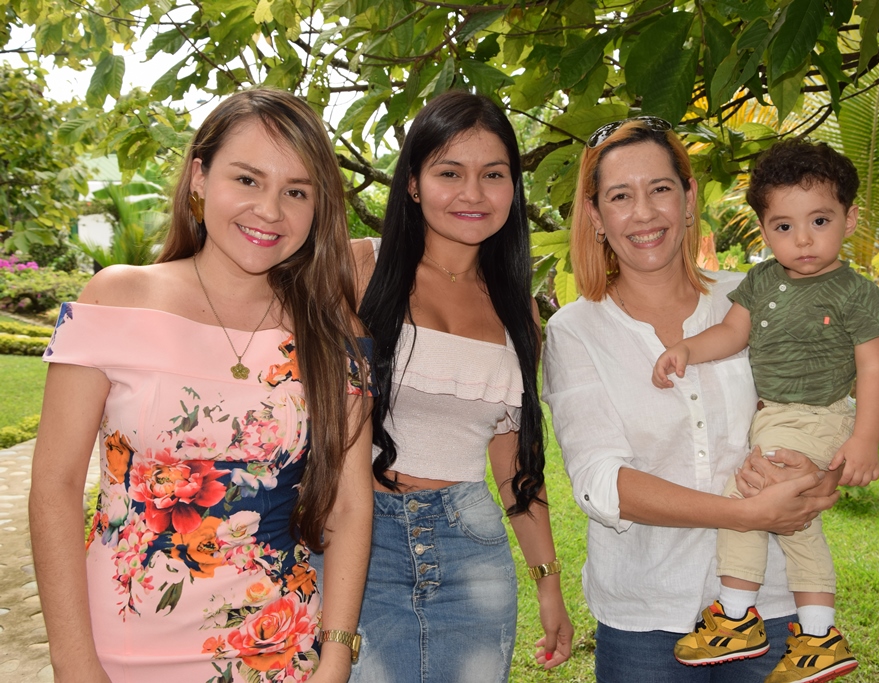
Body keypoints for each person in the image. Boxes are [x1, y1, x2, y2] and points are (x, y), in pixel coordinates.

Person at [29, 88, 374, 683]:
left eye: (296, 191)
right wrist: (75, 663)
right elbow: (54, 487)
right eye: (247, 179)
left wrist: (336, 654)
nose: (270, 210)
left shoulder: (331, 328)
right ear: (198, 178)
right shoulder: (117, 298)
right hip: (121, 647)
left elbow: (348, 503)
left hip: (278, 649)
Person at [542, 116, 842, 683]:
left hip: (773, 604)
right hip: (645, 616)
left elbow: (822, 403)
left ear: (687, 199)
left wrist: (820, 475)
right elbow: (600, 481)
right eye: (620, 196)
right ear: (596, 217)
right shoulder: (576, 331)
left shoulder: (752, 297)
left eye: (660, 189)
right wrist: (744, 513)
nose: (645, 212)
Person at [308, 90, 573, 682]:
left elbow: (513, 461)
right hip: (357, 542)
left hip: (470, 551)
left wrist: (548, 584)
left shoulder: (519, 313)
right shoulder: (356, 269)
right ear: (412, 182)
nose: (473, 193)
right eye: (449, 172)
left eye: (493, 174)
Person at [654, 139, 879, 683]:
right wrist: (688, 349)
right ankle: (817, 634)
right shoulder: (761, 281)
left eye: (819, 220)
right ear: (763, 229)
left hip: (817, 415)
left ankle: (737, 618)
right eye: (783, 226)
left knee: (748, 495)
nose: (803, 239)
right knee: (796, 522)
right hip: (775, 417)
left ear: (850, 218)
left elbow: (874, 370)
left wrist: (863, 440)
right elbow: (731, 333)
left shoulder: (856, 293)